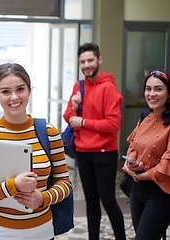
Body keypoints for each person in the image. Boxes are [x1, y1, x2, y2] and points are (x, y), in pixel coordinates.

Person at [0, 63, 72, 240]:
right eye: (5, 91)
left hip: (42, 233)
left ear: (29, 90)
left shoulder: (49, 133)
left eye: (20, 89)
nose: (14, 97)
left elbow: (64, 184)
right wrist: (13, 186)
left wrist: (42, 198)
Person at [63, 43, 126, 240]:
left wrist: (83, 122)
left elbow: (113, 125)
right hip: (83, 152)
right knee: (91, 201)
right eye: (83, 61)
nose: (86, 65)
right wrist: (74, 106)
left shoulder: (109, 88)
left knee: (108, 200)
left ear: (99, 60)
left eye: (90, 60)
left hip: (104, 153)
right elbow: (68, 117)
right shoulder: (78, 86)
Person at [123, 70, 170, 240]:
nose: (152, 94)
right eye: (148, 89)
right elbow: (133, 146)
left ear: (168, 92)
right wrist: (131, 164)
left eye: (158, 89)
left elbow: (166, 164)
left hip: (160, 193)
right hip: (137, 191)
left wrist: (137, 175)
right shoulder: (145, 115)